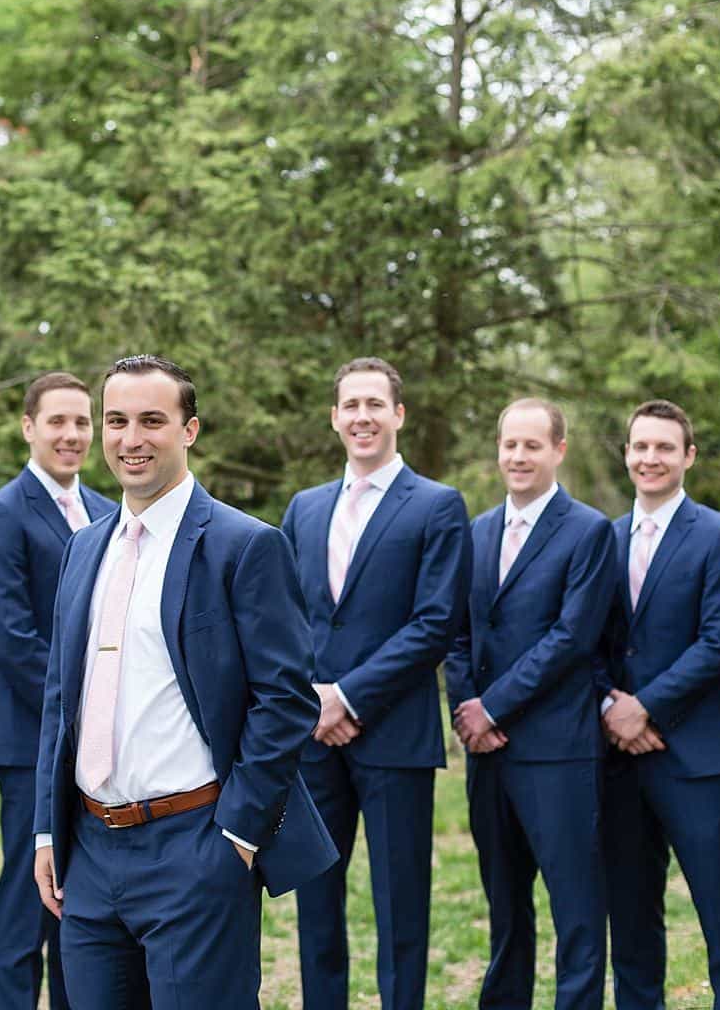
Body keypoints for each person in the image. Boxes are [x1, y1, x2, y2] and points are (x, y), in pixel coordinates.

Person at [33, 355, 337, 1010]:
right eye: (116, 421)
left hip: (197, 847)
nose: (130, 439)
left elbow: (283, 702)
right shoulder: (84, 548)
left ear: (189, 429)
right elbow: (62, 697)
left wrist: (237, 835)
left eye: (151, 420)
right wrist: (45, 832)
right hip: (88, 853)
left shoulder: (244, 545)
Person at [280, 358, 470, 1010]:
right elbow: (282, 619)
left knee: (402, 907)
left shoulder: (438, 505)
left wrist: (348, 696)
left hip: (393, 737)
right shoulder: (303, 509)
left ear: (399, 415)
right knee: (316, 908)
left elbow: (436, 623)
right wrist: (313, 698)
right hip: (313, 742)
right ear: (335, 417)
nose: (362, 416)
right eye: (350, 405)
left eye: (374, 404)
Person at [443, 398, 617, 1010]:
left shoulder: (589, 531)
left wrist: (492, 708)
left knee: (576, 911)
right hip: (487, 757)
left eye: (532, 446)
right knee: (505, 909)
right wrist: (466, 710)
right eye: (509, 444)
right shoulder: (476, 531)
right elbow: (458, 633)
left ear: (558, 451)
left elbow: (572, 638)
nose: (518, 456)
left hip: (557, 752)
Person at [599, 401, 720, 1010]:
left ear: (688, 456)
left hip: (698, 757)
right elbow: (581, 640)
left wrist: (644, 707)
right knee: (632, 926)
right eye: (641, 447)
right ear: (627, 454)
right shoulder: (604, 538)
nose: (651, 458)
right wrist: (610, 707)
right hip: (618, 761)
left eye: (665, 448)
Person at [0, 373, 117, 1010]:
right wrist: (79, 715)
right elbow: (12, 640)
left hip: (105, 747)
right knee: (27, 905)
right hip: (33, 741)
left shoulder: (111, 513)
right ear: (28, 427)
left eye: (82, 422)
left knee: (80, 910)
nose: (71, 435)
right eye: (57, 421)